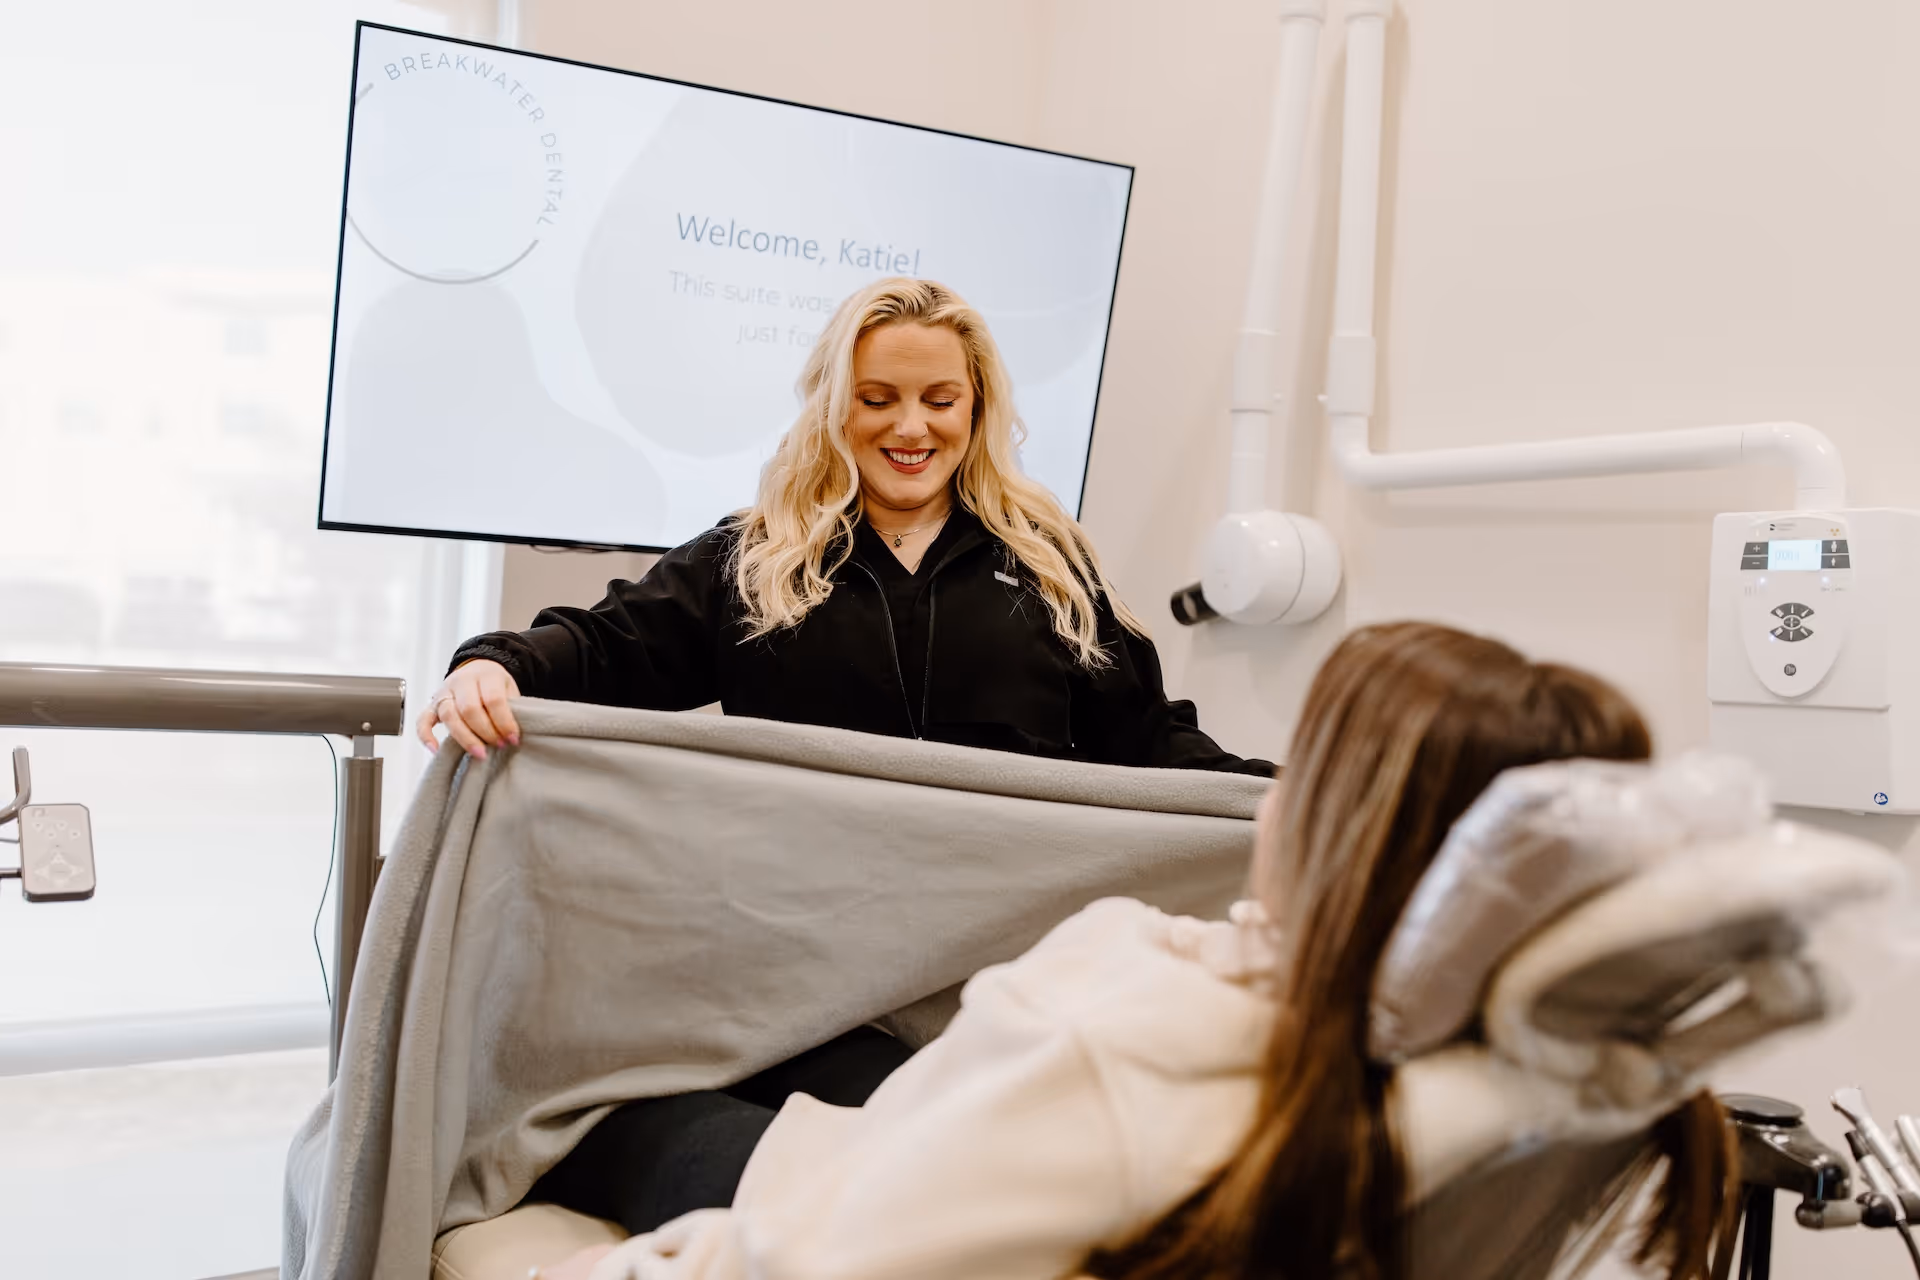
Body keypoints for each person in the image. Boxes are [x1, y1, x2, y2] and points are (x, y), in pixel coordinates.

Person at [417, 278, 1272, 1241]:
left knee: (949, 1155)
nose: (911, 426)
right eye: (878, 400)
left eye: (940, 401)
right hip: (793, 996)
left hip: (977, 988)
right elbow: (601, 645)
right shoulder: (757, 560)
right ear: (835, 406)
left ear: (977, 409)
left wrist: (1288, 798)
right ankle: (608, 1136)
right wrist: (492, 666)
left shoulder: (1047, 569)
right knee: (884, 1162)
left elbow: (1154, 739)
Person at [535, 622, 1738, 1280]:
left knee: (619, 1110)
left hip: (926, 1166)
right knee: (836, 1053)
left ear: (1345, 821)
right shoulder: (1581, 1086)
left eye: (1302, 770)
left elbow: (806, 1257)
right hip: (969, 1128)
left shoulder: (1129, 1032)